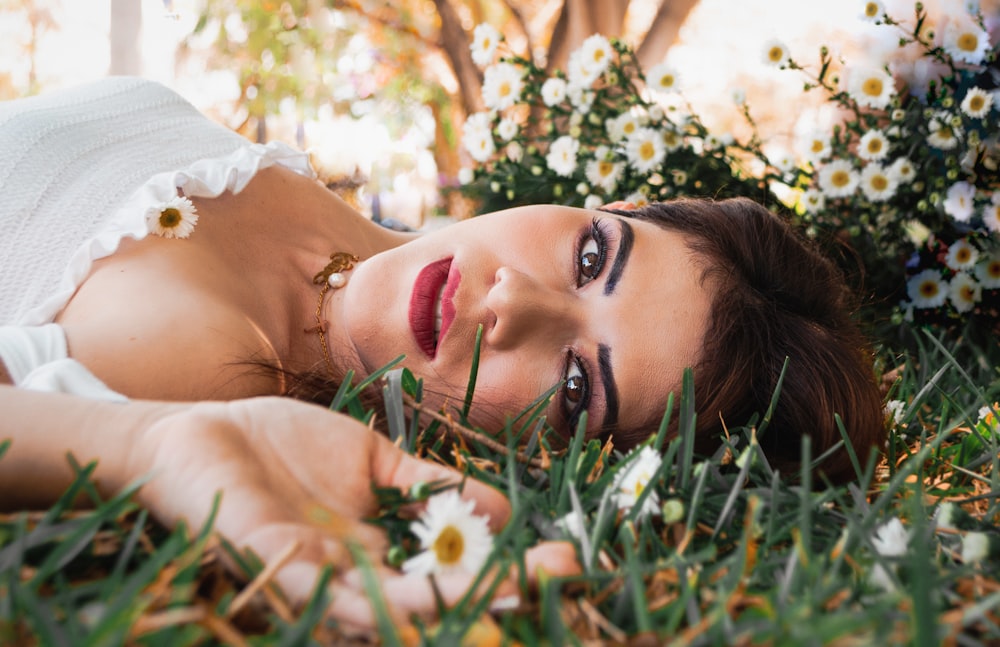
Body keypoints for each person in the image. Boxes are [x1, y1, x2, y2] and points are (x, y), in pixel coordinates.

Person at [0, 77, 884, 627]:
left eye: (578, 384)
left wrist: (150, 447)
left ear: (543, 459)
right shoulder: (293, 176)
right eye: (590, 257)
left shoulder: (197, 367)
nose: (513, 303)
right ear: (609, 206)